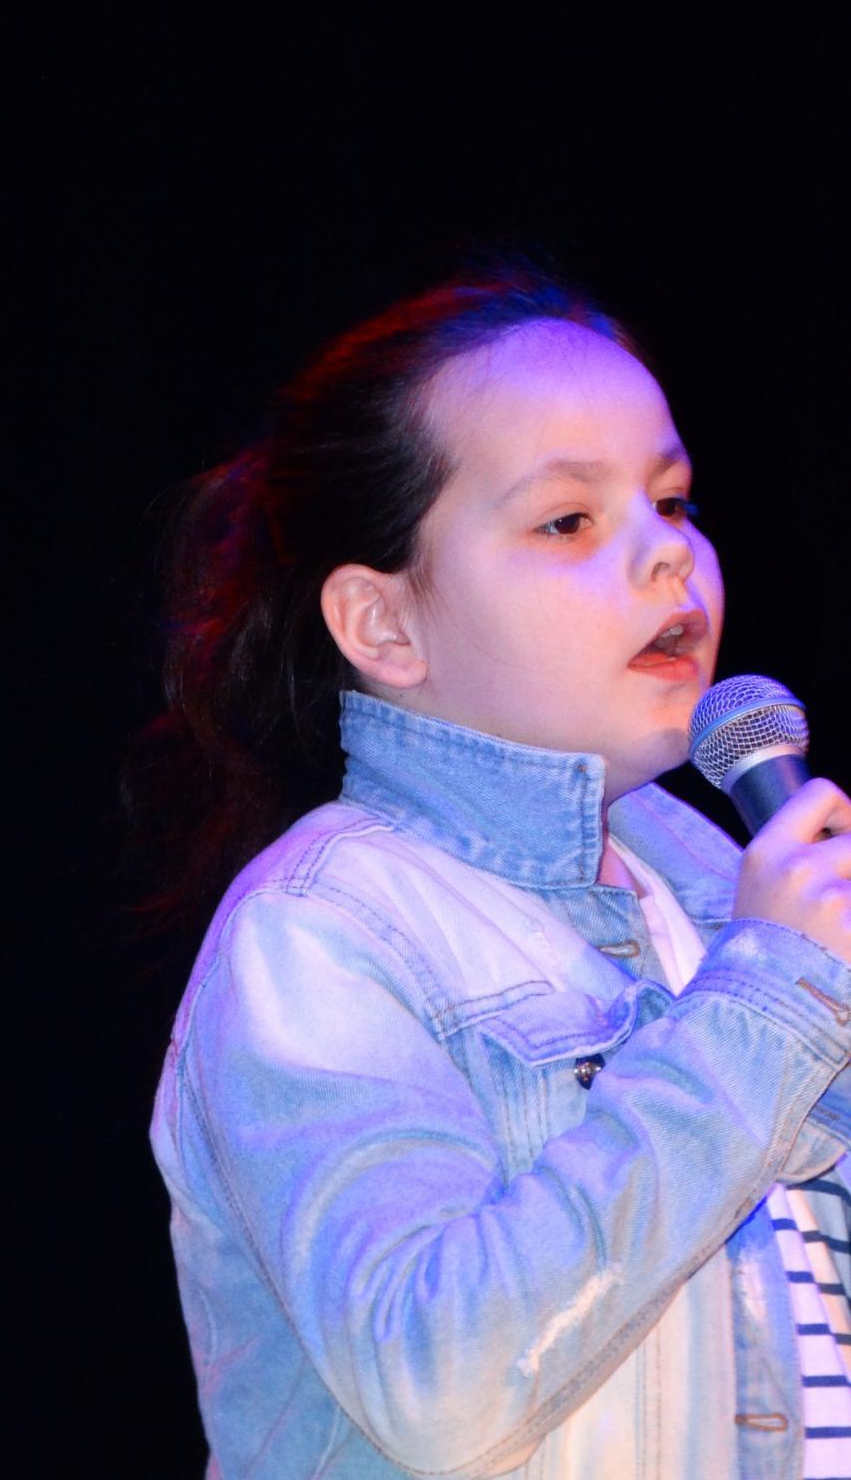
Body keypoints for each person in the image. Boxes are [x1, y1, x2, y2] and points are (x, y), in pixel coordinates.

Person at [148, 258, 851, 1479]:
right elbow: (443, 1381)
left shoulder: (724, 892)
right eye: (568, 520)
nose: (669, 556)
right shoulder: (324, 930)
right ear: (385, 624)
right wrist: (765, 1005)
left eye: (673, 501)